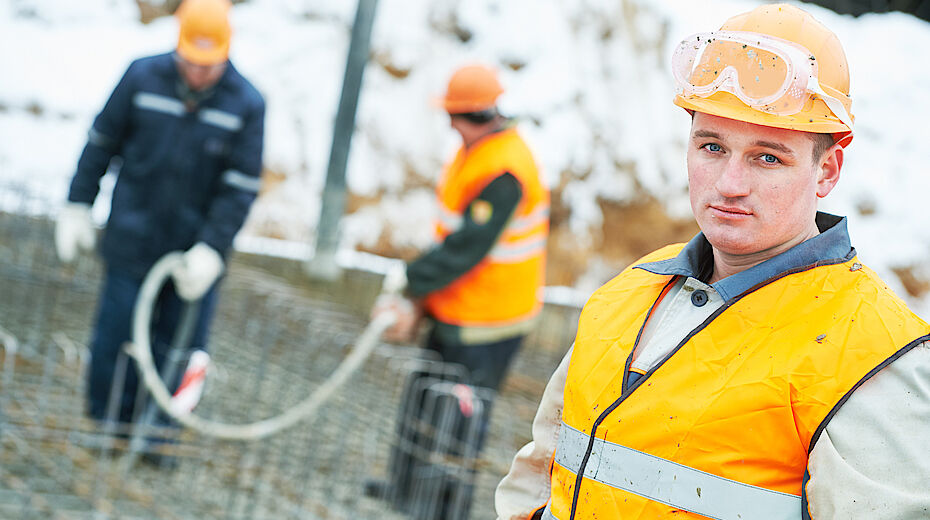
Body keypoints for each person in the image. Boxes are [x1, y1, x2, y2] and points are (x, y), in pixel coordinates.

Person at [495, 4, 930, 519]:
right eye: (712, 146)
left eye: (768, 157)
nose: (729, 184)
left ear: (827, 170)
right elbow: (539, 477)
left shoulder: (872, 355)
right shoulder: (627, 296)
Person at [54, 0, 264, 438]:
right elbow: (101, 144)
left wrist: (212, 247)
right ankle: (109, 423)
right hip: (133, 237)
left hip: (193, 251)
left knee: (179, 347)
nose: (199, 74)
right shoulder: (141, 77)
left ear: (226, 53)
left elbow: (240, 188)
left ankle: (160, 436)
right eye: (191, 62)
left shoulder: (246, 104)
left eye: (209, 66)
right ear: (177, 46)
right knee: (115, 337)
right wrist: (78, 204)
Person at [371, 63, 550, 519]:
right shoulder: (477, 151)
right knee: (425, 396)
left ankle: (441, 507)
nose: (448, 123)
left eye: (452, 114)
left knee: (458, 416)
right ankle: (405, 489)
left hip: (489, 319)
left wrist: (409, 283)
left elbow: (467, 247)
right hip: (457, 307)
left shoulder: (505, 170)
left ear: (469, 114)